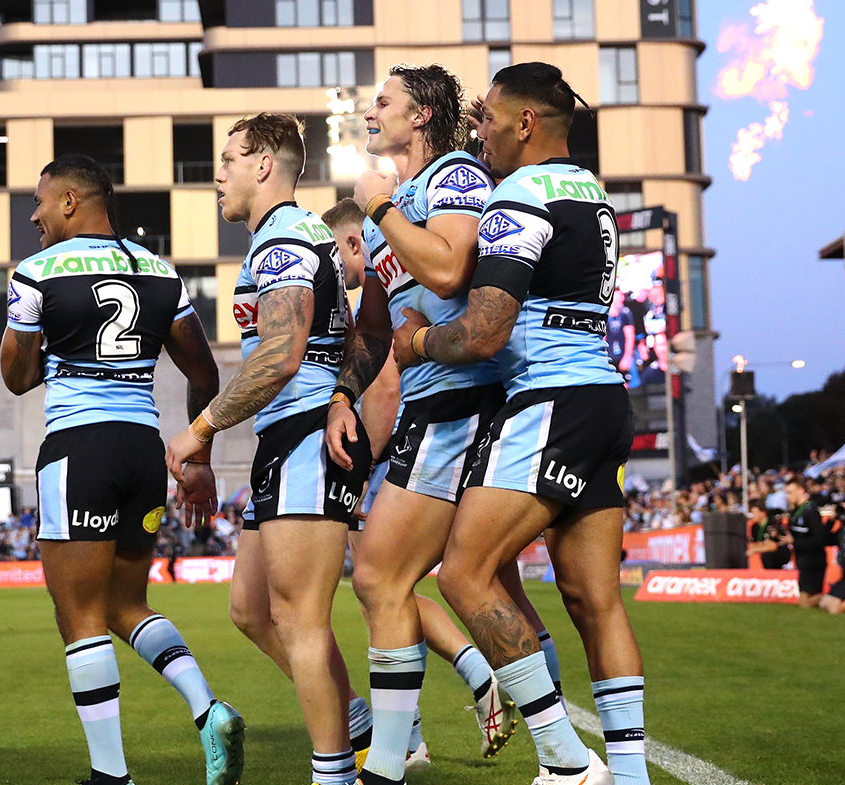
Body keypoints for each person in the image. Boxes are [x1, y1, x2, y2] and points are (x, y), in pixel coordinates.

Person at [325, 65, 580, 785]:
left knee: (380, 572)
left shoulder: (456, 177)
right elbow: (375, 326)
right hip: (432, 403)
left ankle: (395, 760)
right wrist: (345, 396)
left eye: (385, 102)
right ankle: (563, 751)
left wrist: (377, 211)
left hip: (463, 399)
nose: (372, 111)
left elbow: (447, 270)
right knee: (490, 585)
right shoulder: (402, 199)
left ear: (424, 116)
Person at [391, 62, 642, 785]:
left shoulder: (520, 195)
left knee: (466, 574)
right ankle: (629, 774)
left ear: (526, 123)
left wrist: (413, 342)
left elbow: (483, 332)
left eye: (490, 120)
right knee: (595, 601)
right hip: (604, 400)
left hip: (549, 401)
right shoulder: (590, 190)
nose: (480, 132)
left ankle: (566, 761)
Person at [0, 153, 243, 785]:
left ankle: (111, 776)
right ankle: (206, 707)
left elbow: (18, 379)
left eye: (40, 201)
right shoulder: (160, 271)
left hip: (79, 449)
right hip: (144, 449)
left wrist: (46, 340)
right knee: (125, 604)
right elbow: (204, 373)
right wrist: (199, 459)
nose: (34, 215)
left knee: (78, 616)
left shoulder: (35, 273)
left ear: (71, 202)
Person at [166, 113, 371, 785]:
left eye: (228, 160)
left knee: (298, 617)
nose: (217, 174)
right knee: (251, 609)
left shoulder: (282, 238)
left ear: (262, 166)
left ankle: (334, 772)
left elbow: (281, 355)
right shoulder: (287, 237)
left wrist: (200, 430)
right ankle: (354, 720)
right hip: (290, 433)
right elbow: (339, 338)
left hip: (304, 433)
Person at [783, 478, 832, 608]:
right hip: (803, 560)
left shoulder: (811, 511)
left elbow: (819, 540)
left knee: (805, 603)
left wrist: (794, 541)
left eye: (790, 492)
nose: (788, 496)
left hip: (813, 561)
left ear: (801, 491)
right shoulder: (795, 512)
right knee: (807, 600)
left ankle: (840, 597)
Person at [746, 501, 792, 570]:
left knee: (766, 556)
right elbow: (755, 543)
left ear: (762, 513)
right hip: (764, 549)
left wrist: (755, 549)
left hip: (780, 551)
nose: (752, 515)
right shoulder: (754, 527)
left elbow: (773, 545)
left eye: (754, 512)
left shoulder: (772, 524)